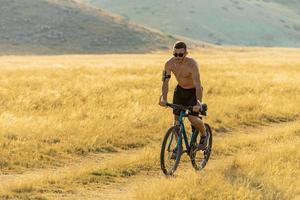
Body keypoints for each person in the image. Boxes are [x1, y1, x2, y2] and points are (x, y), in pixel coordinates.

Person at [158, 41, 208, 151]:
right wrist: (164, 98)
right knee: (176, 121)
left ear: (186, 53)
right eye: (175, 54)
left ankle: (204, 135)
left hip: (193, 91)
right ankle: (178, 145)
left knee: (192, 118)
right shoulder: (168, 64)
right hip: (180, 91)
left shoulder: (192, 65)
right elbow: (165, 82)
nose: (177, 57)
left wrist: (198, 103)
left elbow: (198, 85)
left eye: (180, 54)